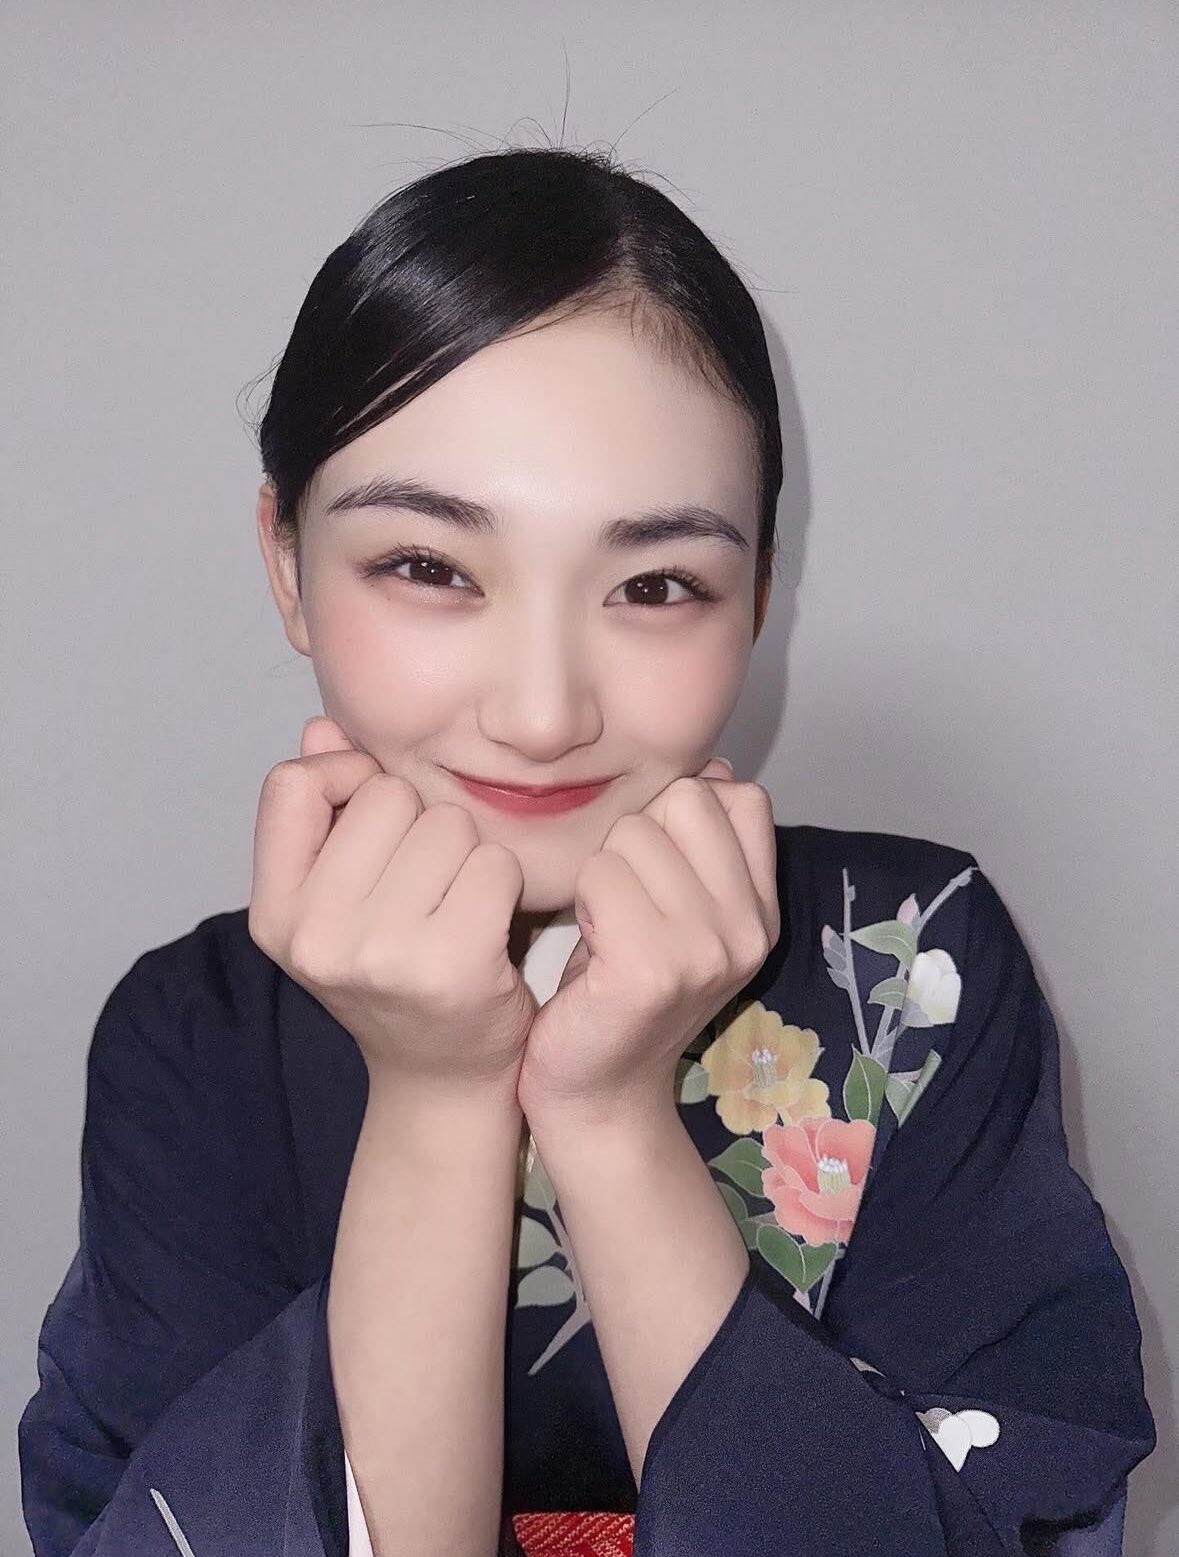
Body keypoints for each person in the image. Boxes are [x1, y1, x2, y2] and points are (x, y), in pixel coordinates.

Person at [18, 144, 1154, 1557]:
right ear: (286, 561)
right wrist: (435, 1095)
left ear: (757, 594)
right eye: (429, 567)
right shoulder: (192, 1038)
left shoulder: (913, 964)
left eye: (657, 584)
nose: (545, 713)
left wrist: (611, 1115)